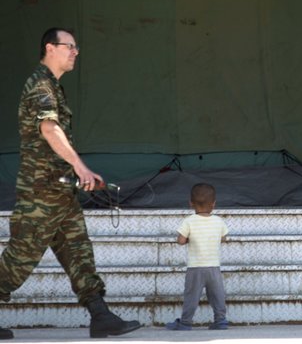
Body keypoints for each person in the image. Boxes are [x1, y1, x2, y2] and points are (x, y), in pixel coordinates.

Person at [0, 28, 141, 339]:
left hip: (59, 193)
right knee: (19, 260)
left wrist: (77, 175)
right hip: (41, 194)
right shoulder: (40, 84)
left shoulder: (53, 86)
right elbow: (49, 130)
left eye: (76, 47)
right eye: (70, 47)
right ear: (51, 48)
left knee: (79, 254)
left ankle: (100, 315)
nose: (75, 52)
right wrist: (81, 168)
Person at [166, 183, 229, 331]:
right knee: (217, 295)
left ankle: (186, 322)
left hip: (195, 268)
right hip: (213, 267)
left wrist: (189, 238)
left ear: (191, 203)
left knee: (191, 296)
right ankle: (220, 320)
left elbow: (180, 240)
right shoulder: (218, 221)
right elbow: (224, 238)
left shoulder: (189, 221)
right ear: (213, 204)